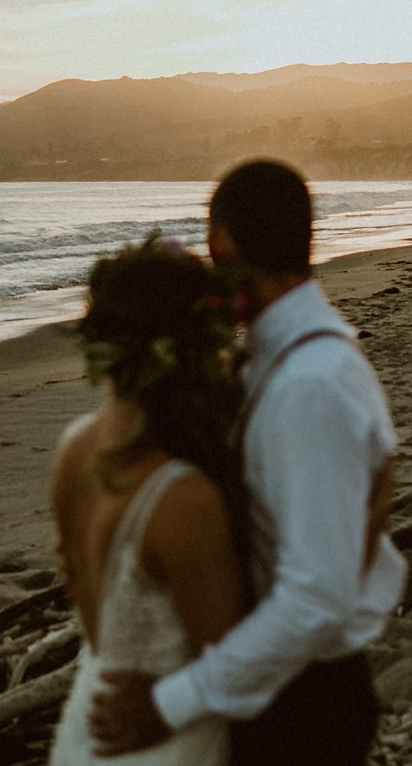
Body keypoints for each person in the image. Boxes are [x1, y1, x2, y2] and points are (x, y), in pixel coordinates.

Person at [91, 160, 404, 764]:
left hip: (301, 702)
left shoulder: (307, 386)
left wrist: (172, 702)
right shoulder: (283, 361)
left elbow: (315, 599)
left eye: (213, 253)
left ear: (222, 244)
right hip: (280, 684)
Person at [49, 237, 249, 765]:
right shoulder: (182, 498)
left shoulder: (74, 450)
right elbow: (232, 668)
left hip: (88, 725)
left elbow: (77, 580)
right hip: (162, 736)